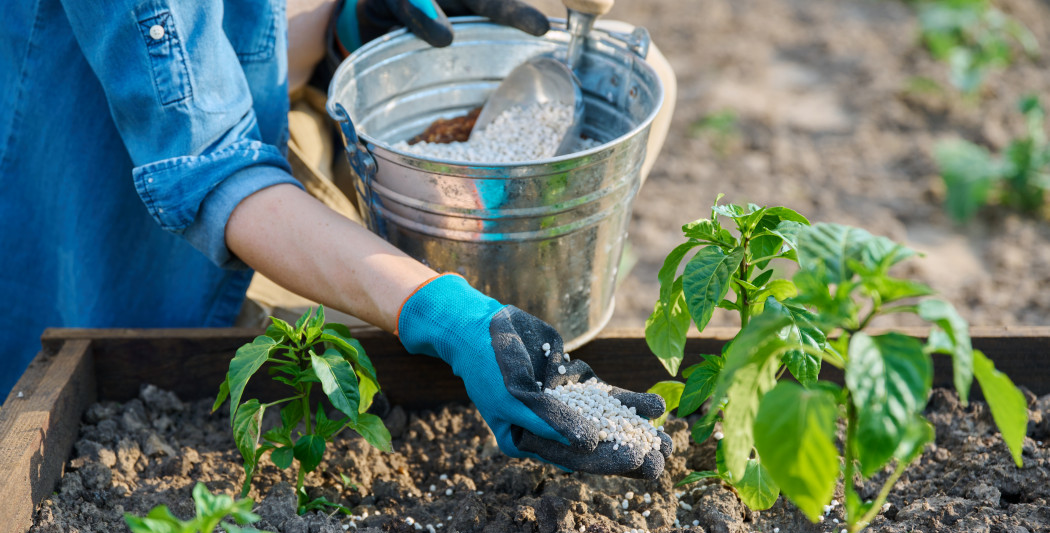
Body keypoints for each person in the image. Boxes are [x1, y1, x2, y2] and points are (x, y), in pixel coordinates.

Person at [0, 0, 673, 479]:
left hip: (190, 162)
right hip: (92, 226)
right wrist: (443, 310)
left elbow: (216, 46)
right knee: (115, 414)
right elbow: (211, 169)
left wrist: (342, 26)